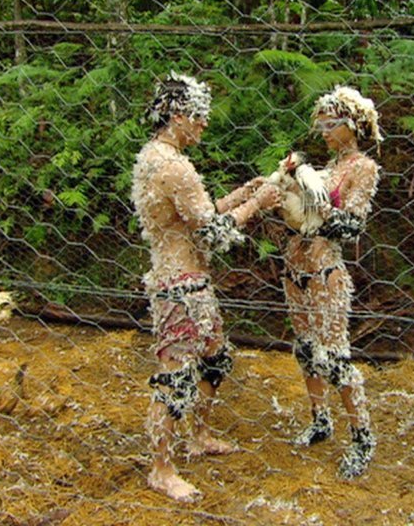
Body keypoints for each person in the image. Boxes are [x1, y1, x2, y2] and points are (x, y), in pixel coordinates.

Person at [130, 72, 281, 503]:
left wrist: (242, 193)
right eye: (198, 115)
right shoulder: (174, 167)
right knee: (175, 377)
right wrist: (258, 204)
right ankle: (161, 469)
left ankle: (199, 435)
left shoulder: (156, 157)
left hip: (188, 279)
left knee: (215, 358)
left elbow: (199, 214)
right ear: (177, 115)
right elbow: (213, 233)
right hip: (179, 285)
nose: (204, 123)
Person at [283, 86, 381, 479]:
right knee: (306, 349)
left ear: (352, 126)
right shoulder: (327, 166)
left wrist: (320, 205)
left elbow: (352, 226)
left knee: (336, 359)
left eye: (331, 125)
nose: (323, 132)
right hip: (295, 268)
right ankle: (321, 420)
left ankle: (362, 438)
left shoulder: (363, 168)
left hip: (326, 272)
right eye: (320, 126)